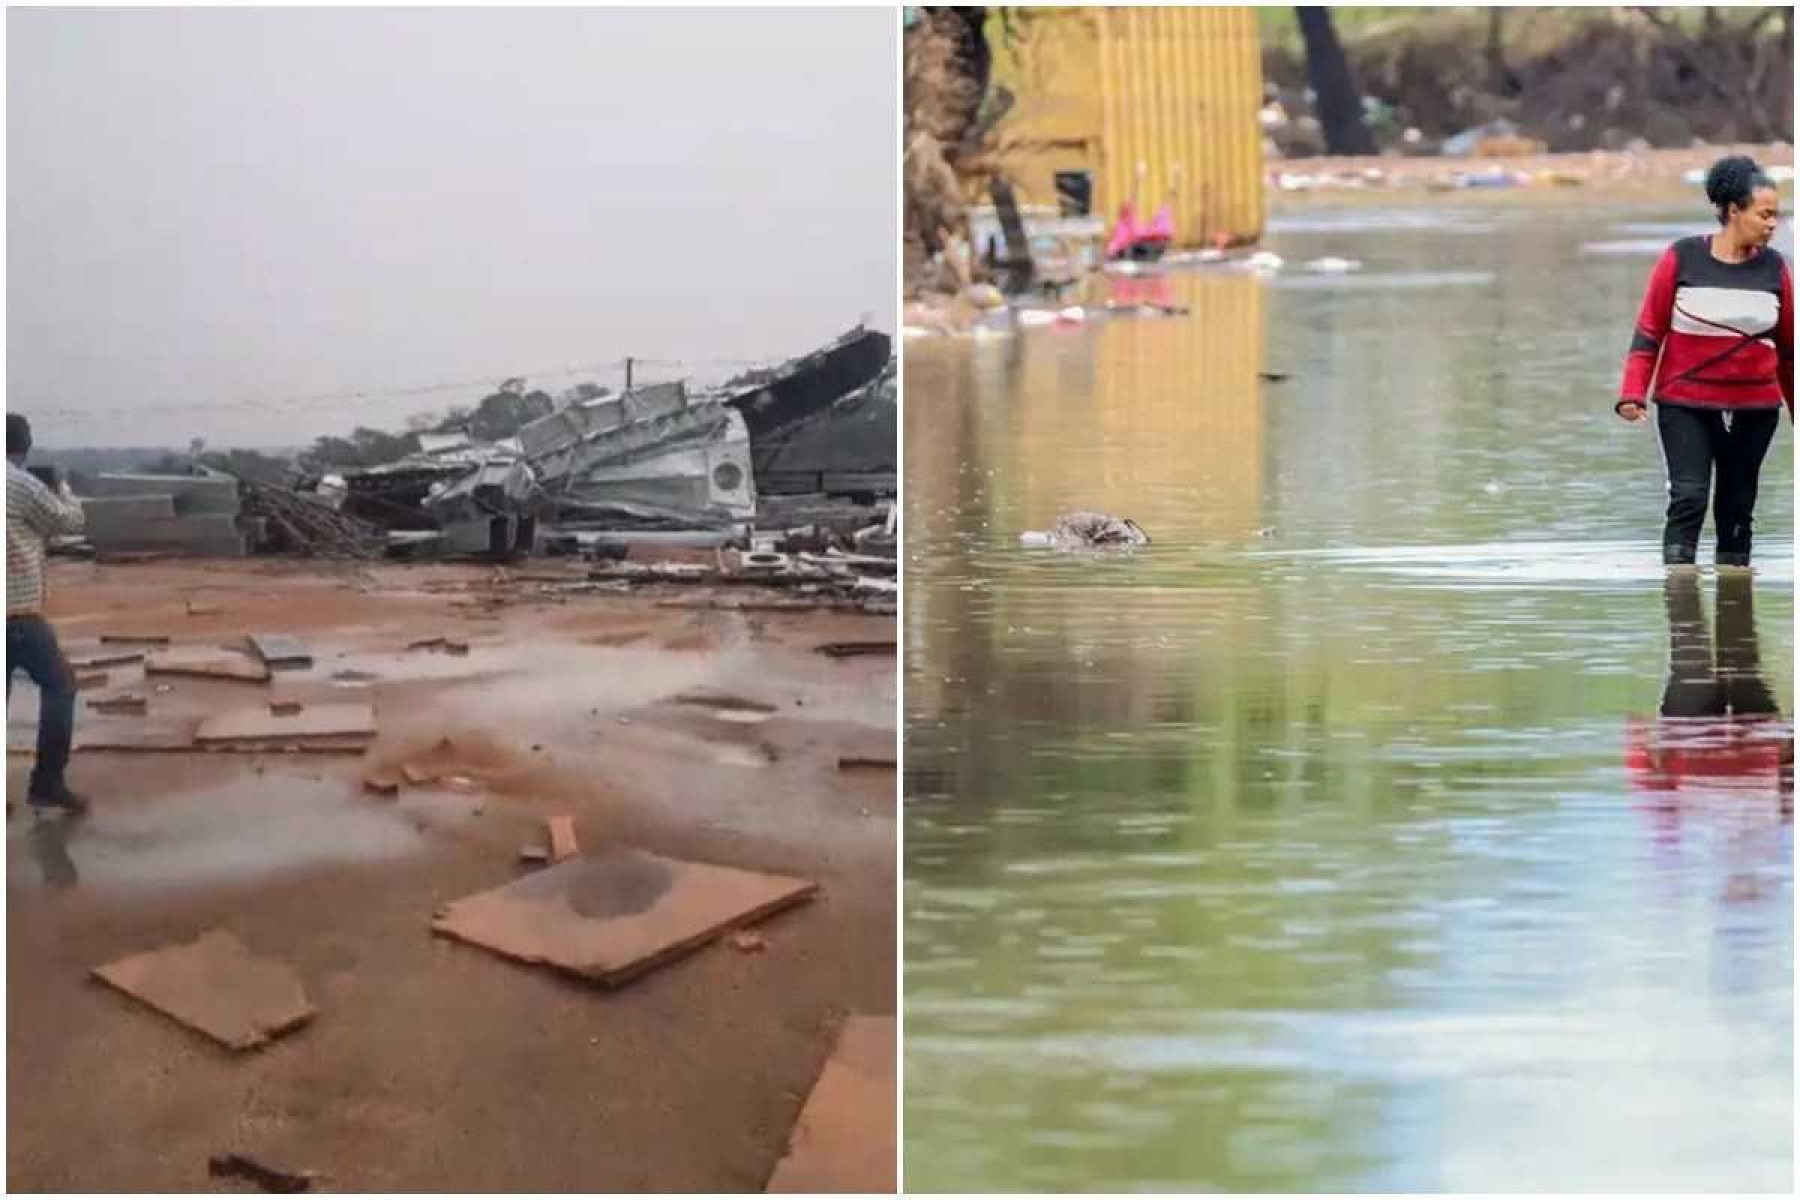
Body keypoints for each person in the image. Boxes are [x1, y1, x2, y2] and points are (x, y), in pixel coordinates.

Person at [1616, 154, 1794, 568]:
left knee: (1737, 508)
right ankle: (1682, 612)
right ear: (1734, 210)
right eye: (1765, 214)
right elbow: (1648, 334)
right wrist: (1632, 395)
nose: (1773, 224)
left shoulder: (1775, 268)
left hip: (1755, 408)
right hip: (1685, 404)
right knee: (1689, 497)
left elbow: (1789, 352)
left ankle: (1736, 621)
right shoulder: (1681, 258)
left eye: (1777, 216)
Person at [6, 412, 89, 814]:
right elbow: (69, 521)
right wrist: (62, 486)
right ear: (24, 445)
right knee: (60, 686)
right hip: (16, 612)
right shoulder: (19, 483)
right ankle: (47, 783)